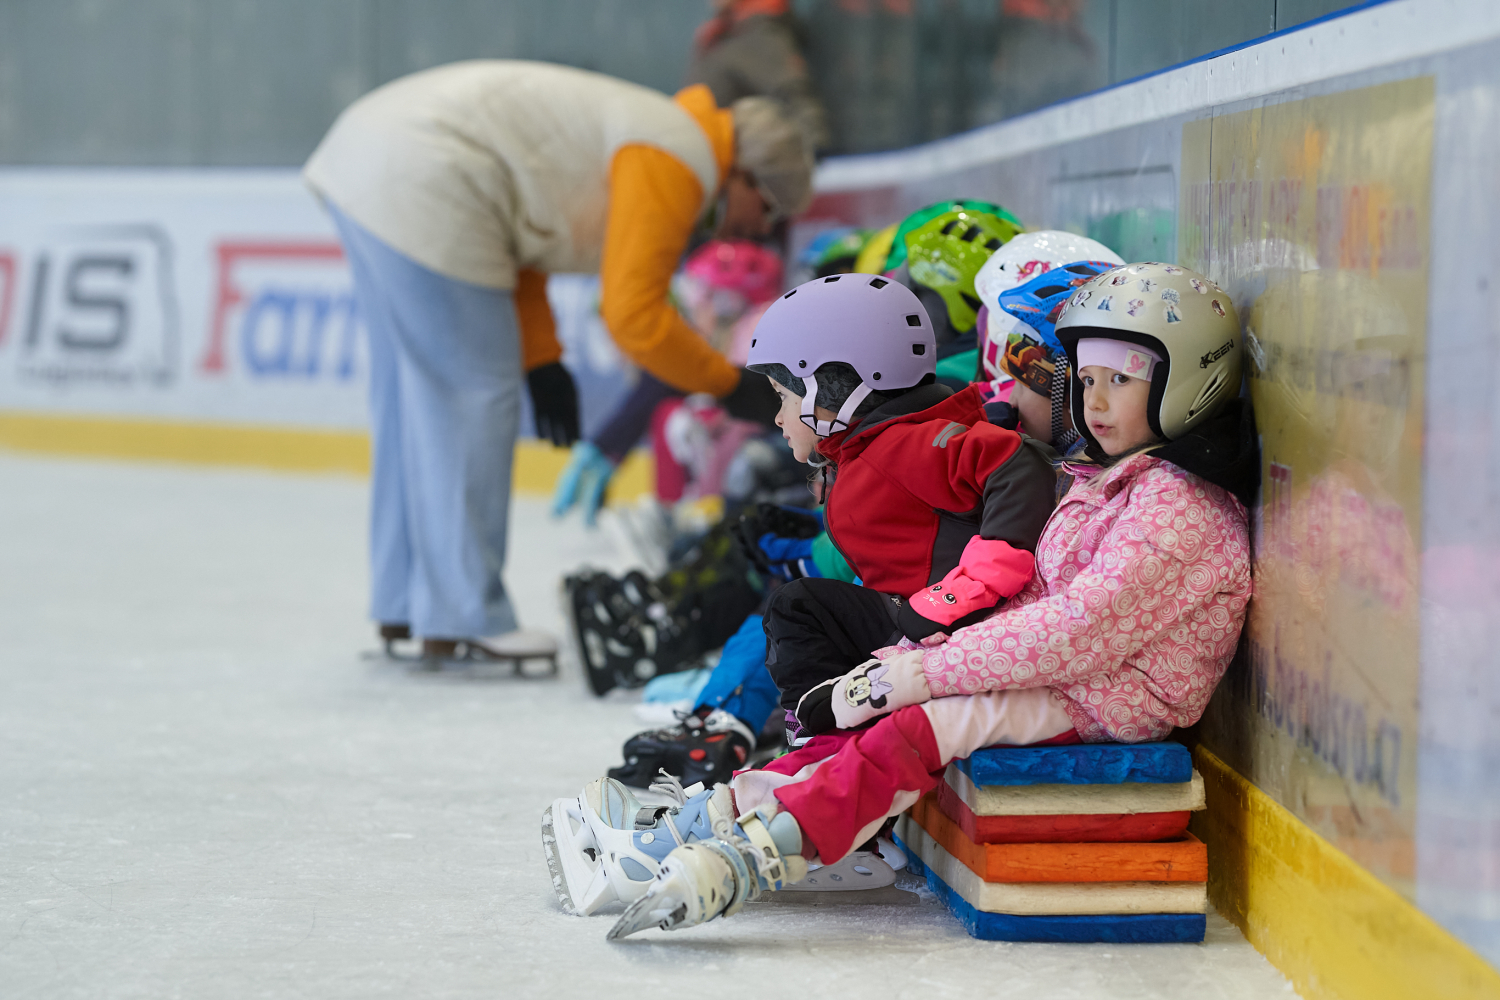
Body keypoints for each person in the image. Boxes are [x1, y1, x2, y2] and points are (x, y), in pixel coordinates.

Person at [597, 261, 1257, 939]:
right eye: (1086, 380)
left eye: (1120, 380)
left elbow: (1075, 629)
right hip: (1074, 677)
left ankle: (770, 848)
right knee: (886, 722)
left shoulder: (1179, 508)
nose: (1094, 403)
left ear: (1186, 380)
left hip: (1109, 697)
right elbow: (1039, 608)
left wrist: (919, 673)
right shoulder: (1118, 481)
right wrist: (910, 661)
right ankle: (729, 813)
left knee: (915, 730)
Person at [544, 269, 1058, 917]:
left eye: (786, 397)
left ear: (837, 387)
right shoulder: (873, 446)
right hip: (912, 632)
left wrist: (964, 591)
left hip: (946, 639)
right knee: (801, 606)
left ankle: (817, 790)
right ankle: (808, 755)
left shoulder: (918, 441)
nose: (779, 416)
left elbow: (1016, 465)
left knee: (797, 609)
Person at [302, 61, 812, 666]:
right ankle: (463, 614)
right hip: (425, 171)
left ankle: (404, 603)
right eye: (769, 206)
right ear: (745, 174)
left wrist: (542, 356)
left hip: (376, 160)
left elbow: (524, 236)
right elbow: (635, 315)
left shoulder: (664, 134)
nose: (758, 228)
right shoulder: (681, 157)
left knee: (407, 400)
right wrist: (728, 384)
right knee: (473, 396)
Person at [686, 0, 830, 155]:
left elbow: (799, 104)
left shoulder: (760, 32)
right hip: (715, 158)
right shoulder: (728, 31)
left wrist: (815, 159)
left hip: (744, 162)